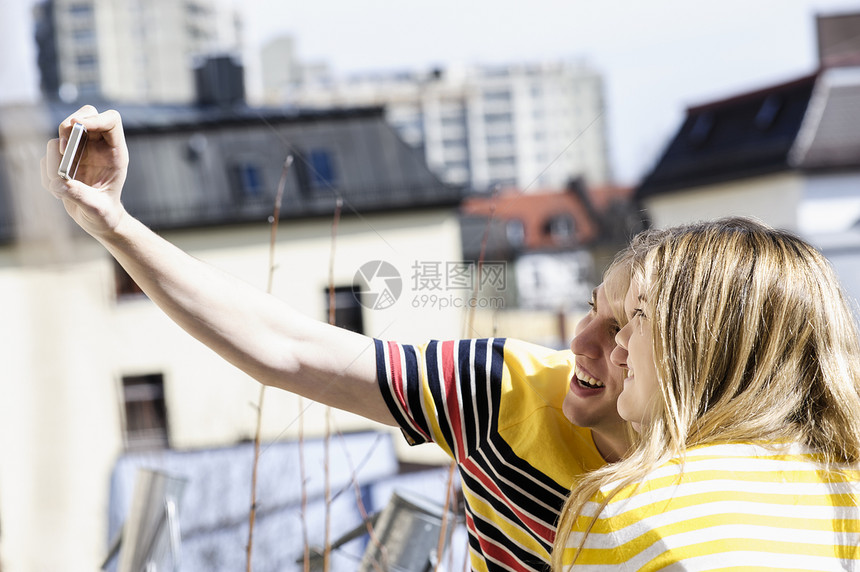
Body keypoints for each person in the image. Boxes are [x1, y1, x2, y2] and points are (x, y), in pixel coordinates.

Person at [43, 106, 639, 571]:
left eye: (618, 330)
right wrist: (113, 223)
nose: (581, 340)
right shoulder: (502, 388)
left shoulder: (727, 472)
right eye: (590, 306)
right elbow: (285, 348)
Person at [551, 218, 860, 570]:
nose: (621, 344)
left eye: (639, 315)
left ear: (702, 346)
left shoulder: (623, 514)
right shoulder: (846, 491)